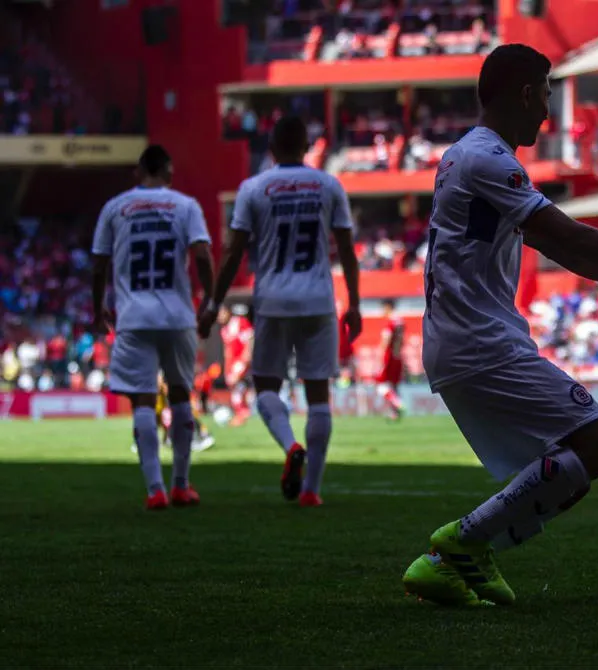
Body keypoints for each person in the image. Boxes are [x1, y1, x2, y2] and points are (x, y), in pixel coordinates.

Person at [401, 44, 598, 606]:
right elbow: (570, 235)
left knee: (575, 453)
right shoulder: (487, 159)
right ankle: (458, 548)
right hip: (479, 343)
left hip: (466, 341)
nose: (546, 109)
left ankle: (459, 553)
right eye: (545, 93)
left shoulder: (468, 157)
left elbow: (556, 247)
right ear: (524, 93)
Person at [198, 116, 361, 507]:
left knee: (266, 387)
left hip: (271, 300)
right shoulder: (328, 184)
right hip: (319, 300)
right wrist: (354, 303)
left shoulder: (254, 188)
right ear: (307, 146)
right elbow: (347, 249)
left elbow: (233, 251)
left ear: (271, 148)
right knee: (319, 394)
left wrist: (214, 302)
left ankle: (290, 446)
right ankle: (312, 491)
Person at [91, 144, 215, 510]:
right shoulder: (186, 205)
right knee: (180, 396)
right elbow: (203, 254)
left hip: (134, 317)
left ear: (137, 171)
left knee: (143, 400)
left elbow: (99, 264)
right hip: (177, 316)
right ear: (169, 172)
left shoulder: (115, 207)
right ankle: (181, 484)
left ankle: (154, 490)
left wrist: (97, 306)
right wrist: (210, 300)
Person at [375, 298, 406, 421]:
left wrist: (380, 356)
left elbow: (386, 340)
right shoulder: (400, 322)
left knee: (381, 386)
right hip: (398, 356)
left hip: (389, 357)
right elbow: (401, 340)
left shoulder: (391, 323)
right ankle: (395, 414)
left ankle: (398, 404)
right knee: (394, 385)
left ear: (388, 307)